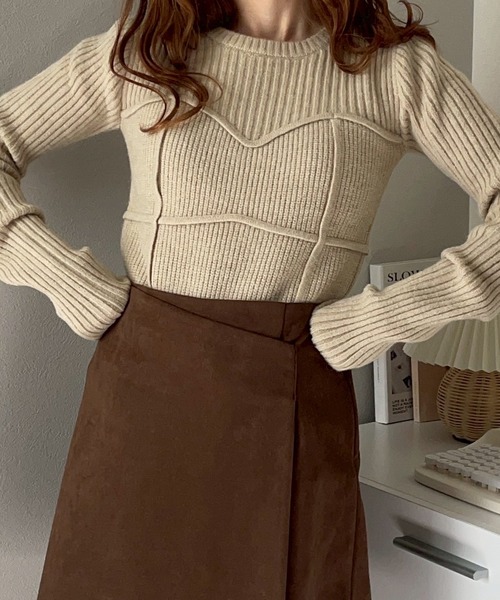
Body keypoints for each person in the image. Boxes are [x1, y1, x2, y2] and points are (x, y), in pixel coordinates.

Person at [2, 0, 500, 598]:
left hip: (297, 403)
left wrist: (377, 320)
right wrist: (69, 282)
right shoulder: (145, 52)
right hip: (140, 408)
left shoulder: (395, 72)